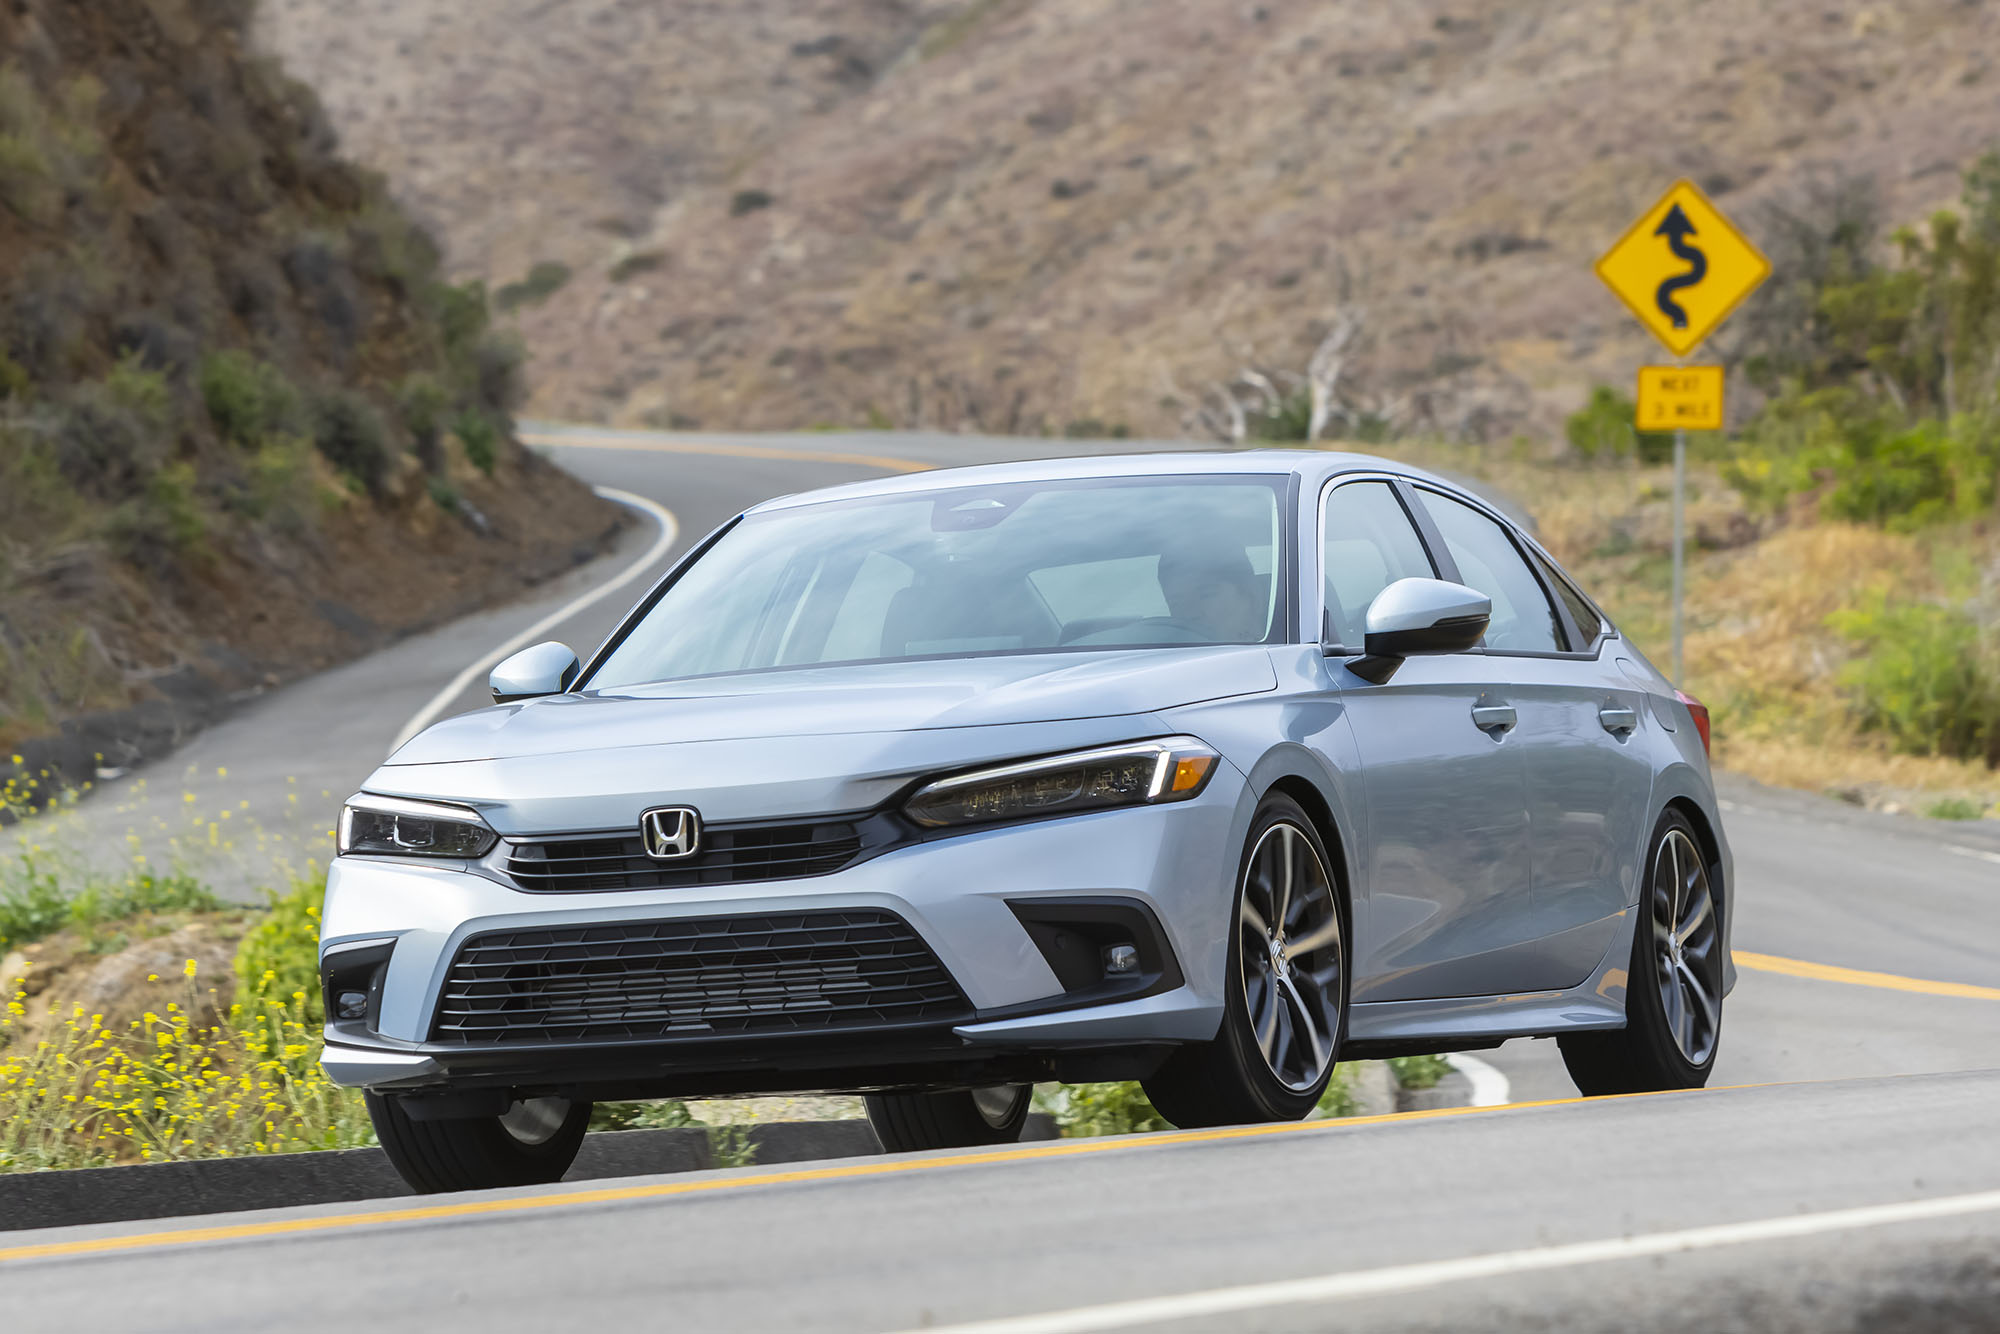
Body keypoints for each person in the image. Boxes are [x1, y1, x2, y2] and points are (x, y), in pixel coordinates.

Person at [1156, 544, 1269, 642]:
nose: (1190, 614)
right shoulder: (1165, 662)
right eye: (1176, 603)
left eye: (1206, 595)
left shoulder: (1284, 658)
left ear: (1253, 593)